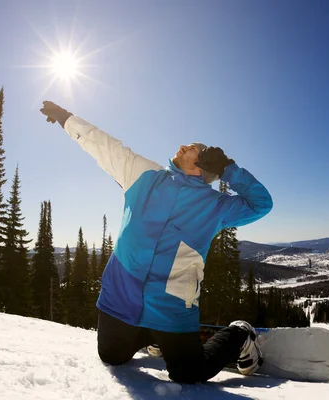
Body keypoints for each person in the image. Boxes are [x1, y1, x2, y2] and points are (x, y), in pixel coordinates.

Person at [40, 101, 273, 383]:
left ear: (202, 167)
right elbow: (103, 145)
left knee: (189, 374)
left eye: (192, 149)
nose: (183, 147)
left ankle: (240, 334)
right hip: (120, 298)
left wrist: (227, 170)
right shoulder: (144, 175)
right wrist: (66, 118)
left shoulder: (215, 206)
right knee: (112, 357)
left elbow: (261, 204)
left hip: (171, 305)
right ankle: (152, 337)